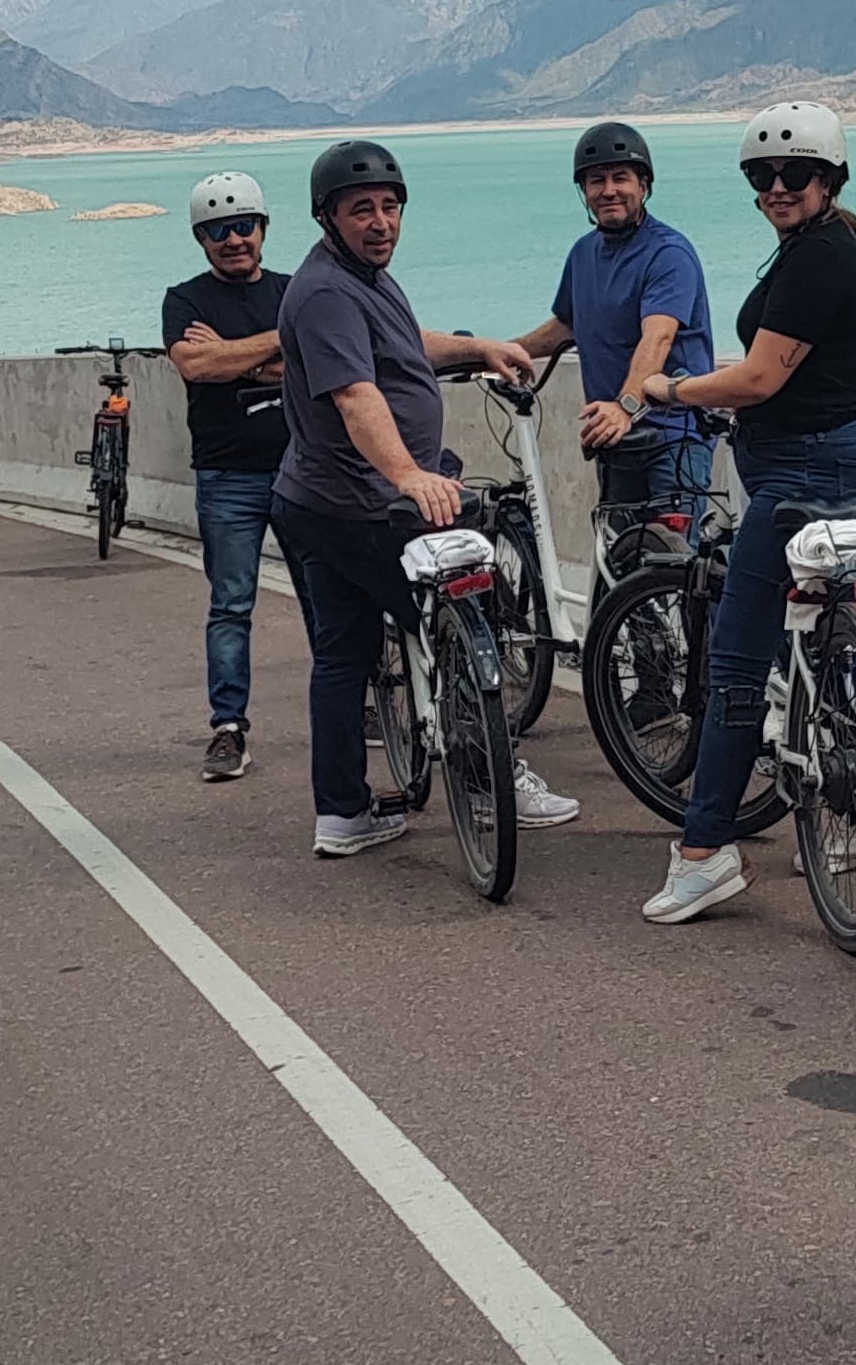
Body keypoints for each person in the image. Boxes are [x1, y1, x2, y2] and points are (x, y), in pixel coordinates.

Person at [619, 102, 856, 925]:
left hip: (797, 472)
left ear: (829, 179)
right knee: (823, 633)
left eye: (797, 174)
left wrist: (666, 388)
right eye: (763, 176)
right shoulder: (847, 247)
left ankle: (705, 851)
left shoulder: (816, 259)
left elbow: (758, 381)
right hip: (852, 452)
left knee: (737, 663)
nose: (779, 187)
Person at [267, 139, 581, 856]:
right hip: (361, 504)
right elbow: (355, 396)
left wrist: (480, 349)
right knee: (462, 617)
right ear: (327, 218)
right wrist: (408, 475)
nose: (380, 222)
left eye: (389, 207)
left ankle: (343, 815)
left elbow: (406, 345)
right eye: (361, 211)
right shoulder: (323, 293)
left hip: (316, 498)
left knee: (343, 655)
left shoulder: (363, 279)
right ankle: (489, 778)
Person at [504, 121, 719, 555]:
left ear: (643, 185)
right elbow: (567, 325)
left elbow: (657, 338)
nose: (608, 190)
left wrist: (626, 406)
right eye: (596, 180)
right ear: (583, 191)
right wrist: (502, 352)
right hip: (616, 441)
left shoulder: (668, 253)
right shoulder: (584, 253)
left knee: (673, 566)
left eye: (621, 178)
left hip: (671, 439)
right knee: (620, 570)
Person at [161, 169, 291, 782]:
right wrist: (274, 348)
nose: (233, 239)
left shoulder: (296, 290)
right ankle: (228, 728)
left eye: (243, 226)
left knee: (331, 598)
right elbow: (196, 367)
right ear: (200, 238)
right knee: (231, 604)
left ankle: (362, 706)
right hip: (226, 477)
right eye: (218, 230)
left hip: (302, 470)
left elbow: (318, 363)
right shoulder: (183, 300)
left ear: (263, 229)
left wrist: (233, 356)